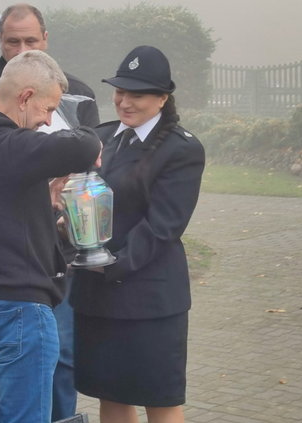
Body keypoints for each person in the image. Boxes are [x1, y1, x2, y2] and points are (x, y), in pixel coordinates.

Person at [0, 3, 99, 420]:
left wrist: (42, 199)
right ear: (25, 97)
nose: (47, 122)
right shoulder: (9, 147)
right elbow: (85, 146)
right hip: (20, 309)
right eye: (47, 110)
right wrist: (77, 122)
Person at [70, 45, 206, 423]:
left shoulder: (182, 149)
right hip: (97, 295)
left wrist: (110, 265)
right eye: (119, 91)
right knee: (110, 395)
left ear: (163, 98)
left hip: (148, 297)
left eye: (137, 94)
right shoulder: (101, 137)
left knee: (159, 400)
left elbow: (164, 225)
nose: (124, 102)